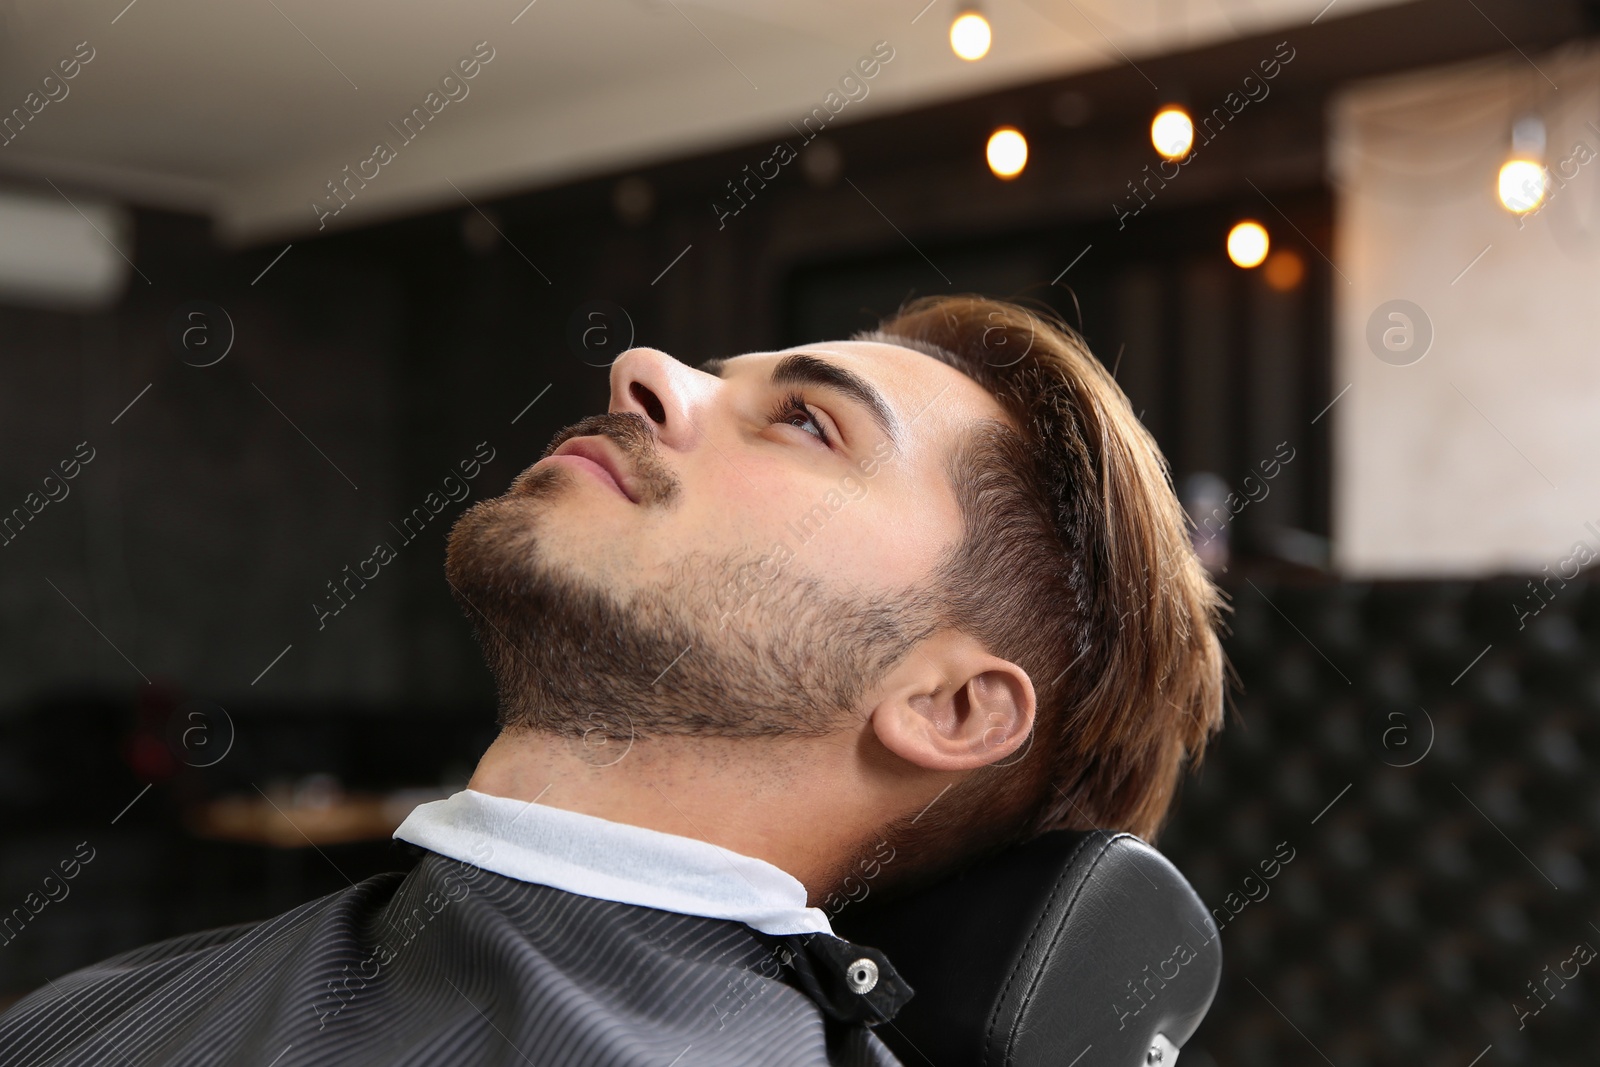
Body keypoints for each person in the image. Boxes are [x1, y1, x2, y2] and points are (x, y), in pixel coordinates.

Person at [0, 295, 1228, 1066]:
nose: (647, 369)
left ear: (946, 704)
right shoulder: (93, 1009)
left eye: (807, 421)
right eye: (724, 373)